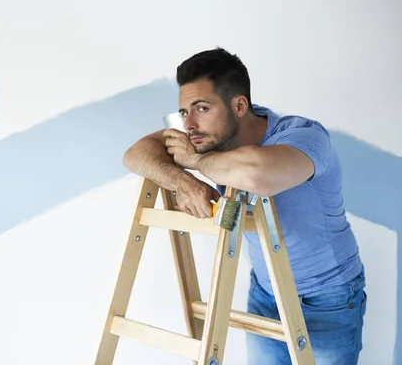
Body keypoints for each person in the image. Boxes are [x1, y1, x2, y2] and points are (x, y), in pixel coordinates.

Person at [122, 47, 367, 364]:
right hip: (266, 290)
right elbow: (135, 153)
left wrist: (194, 161)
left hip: (328, 298)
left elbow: (257, 174)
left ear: (239, 105)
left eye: (202, 108)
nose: (190, 124)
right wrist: (185, 181)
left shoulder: (304, 136)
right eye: (184, 112)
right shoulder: (211, 135)